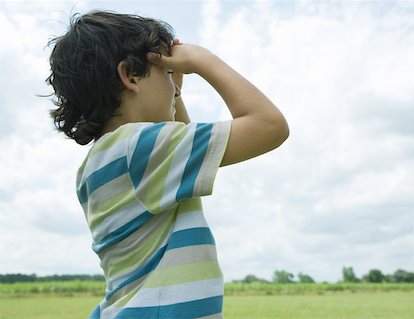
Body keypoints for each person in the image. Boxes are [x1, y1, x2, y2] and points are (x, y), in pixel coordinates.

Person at [46, 10, 289, 319]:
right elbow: (270, 126)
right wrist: (203, 61)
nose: (174, 87)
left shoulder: (103, 160)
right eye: (165, 72)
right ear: (130, 76)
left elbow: (180, 142)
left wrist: (175, 88)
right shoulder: (141, 149)